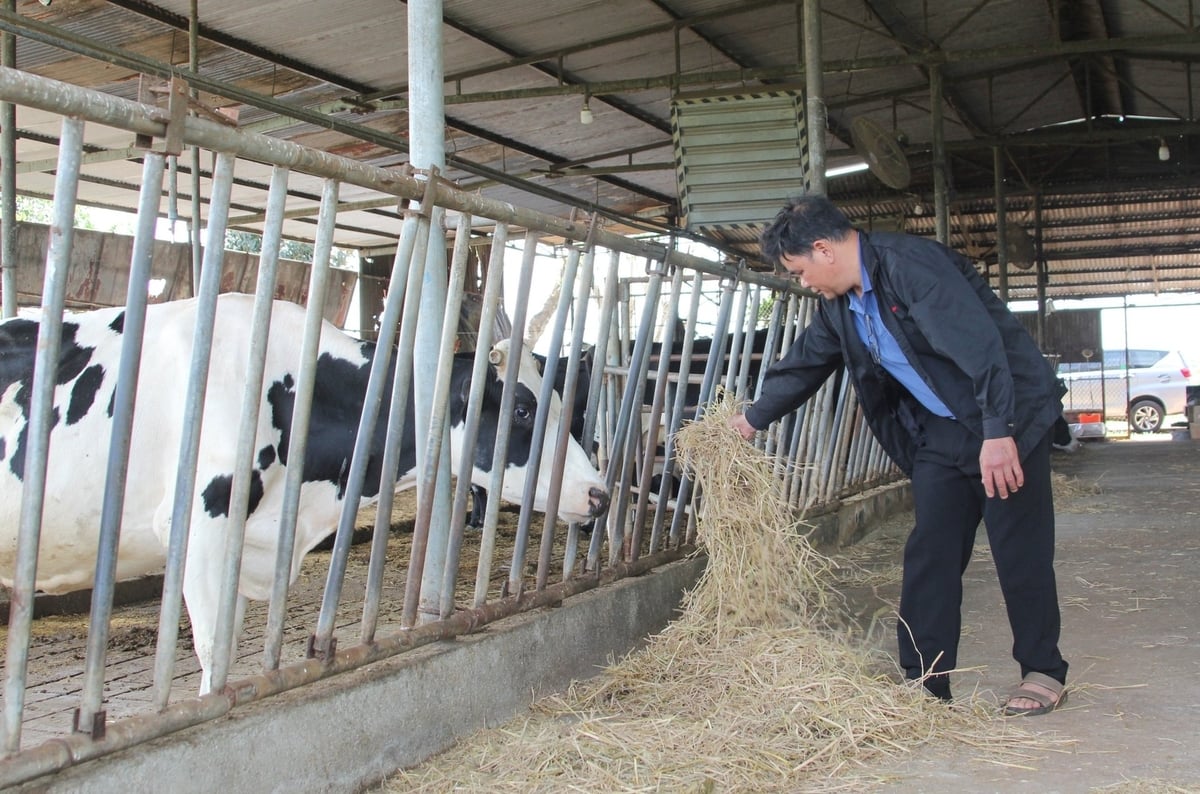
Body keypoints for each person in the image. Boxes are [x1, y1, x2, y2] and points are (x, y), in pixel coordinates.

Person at [730, 195, 1069, 716]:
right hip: (943, 432)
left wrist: (999, 433)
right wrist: (750, 420)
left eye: (799, 271)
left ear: (822, 250)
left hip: (1007, 419)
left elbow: (981, 348)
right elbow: (805, 364)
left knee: (1017, 549)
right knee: (929, 552)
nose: (802, 283)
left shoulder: (913, 266)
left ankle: (1042, 669)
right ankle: (926, 680)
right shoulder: (840, 306)